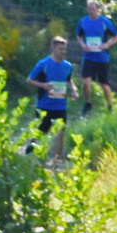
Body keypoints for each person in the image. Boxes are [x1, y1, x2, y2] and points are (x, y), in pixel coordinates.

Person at [25, 37, 74, 165]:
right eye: (60, 49)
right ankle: (32, 151)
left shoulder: (68, 66)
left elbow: (68, 79)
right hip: (44, 105)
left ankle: (56, 160)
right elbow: (29, 80)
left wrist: (73, 90)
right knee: (41, 132)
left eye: (65, 49)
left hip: (60, 106)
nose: (63, 51)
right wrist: (43, 85)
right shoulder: (43, 64)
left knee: (60, 133)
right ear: (53, 48)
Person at [74, 0, 117, 115]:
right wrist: (83, 45)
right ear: (87, 10)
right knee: (85, 82)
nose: (91, 11)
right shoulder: (83, 21)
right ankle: (88, 104)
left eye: (93, 9)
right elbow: (78, 36)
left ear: (98, 9)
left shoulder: (105, 22)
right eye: (89, 9)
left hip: (102, 58)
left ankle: (110, 106)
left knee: (104, 84)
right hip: (88, 57)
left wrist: (108, 44)